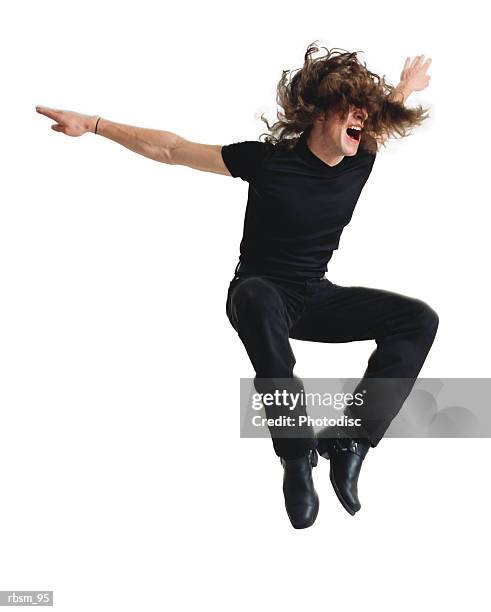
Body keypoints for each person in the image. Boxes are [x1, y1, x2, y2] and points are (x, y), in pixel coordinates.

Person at [36, 42, 438, 529]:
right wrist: (94, 124)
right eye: (349, 111)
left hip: (313, 296)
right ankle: (295, 453)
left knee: (417, 319)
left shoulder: (361, 156)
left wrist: (402, 89)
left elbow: (379, 118)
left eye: (365, 113)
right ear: (319, 115)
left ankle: (350, 440)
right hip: (258, 292)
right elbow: (171, 148)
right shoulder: (268, 162)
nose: (361, 121)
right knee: (257, 296)